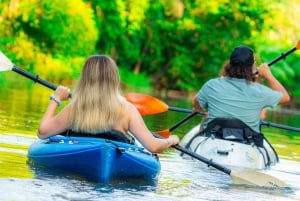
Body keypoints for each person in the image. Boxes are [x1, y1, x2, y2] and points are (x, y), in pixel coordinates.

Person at [38, 55, 179, 153]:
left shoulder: (75, 108)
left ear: (85, 79)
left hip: (80, 158)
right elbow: (153, 146)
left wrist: (55, 99)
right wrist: (171, 140)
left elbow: (42, 132)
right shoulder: (127, 110)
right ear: (114, 79)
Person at [192, 45, 290, 133]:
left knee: (206, 117)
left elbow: (196, 101)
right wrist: (268, 75)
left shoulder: (212, 84)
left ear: (230, 64)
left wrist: (199, 109)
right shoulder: (260, 91)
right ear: (253, 67)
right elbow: (285, 97)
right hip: (245, 140)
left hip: (214, 136)